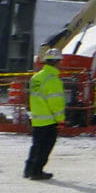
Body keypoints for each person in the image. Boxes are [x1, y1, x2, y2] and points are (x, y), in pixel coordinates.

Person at [26, 49, 66, 180]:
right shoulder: (53, 80)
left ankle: (29, 169)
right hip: (49, 120)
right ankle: (37, 171)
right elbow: (56, 103)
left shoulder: (36, 77)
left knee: (36, 145)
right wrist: (60, 119)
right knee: (45, 147)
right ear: (57, 62)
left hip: (37, 118)